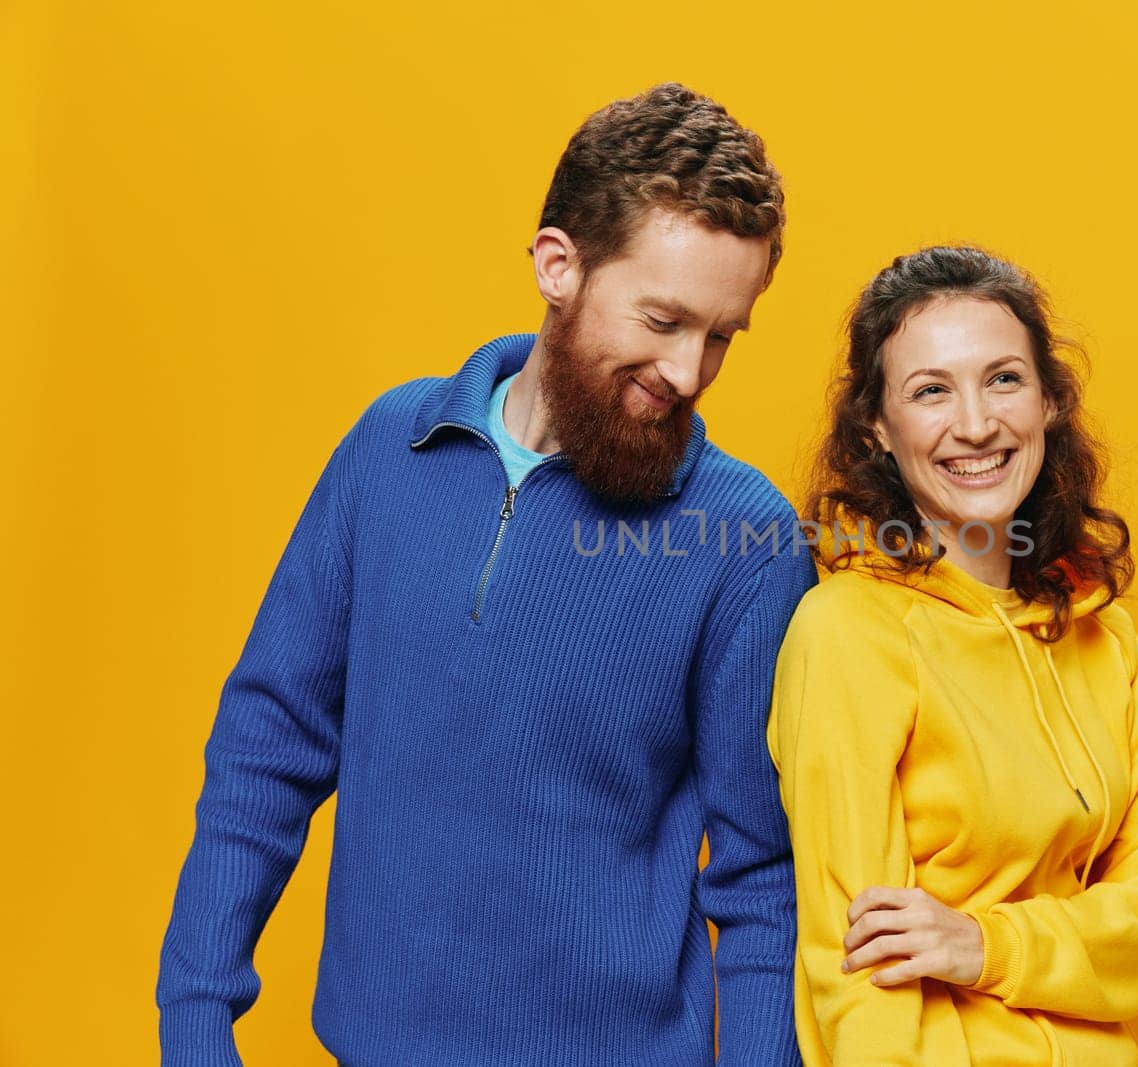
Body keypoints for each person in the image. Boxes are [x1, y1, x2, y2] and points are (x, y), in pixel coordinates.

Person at [157, 83, 814, 1066]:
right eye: (664, 319)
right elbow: (269, 740)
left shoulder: (744, 538)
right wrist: (195, 1018)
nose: (688, 370)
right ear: (560, 265)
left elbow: (763, 878)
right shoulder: (389, 448)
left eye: (721, 335)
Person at [768, 246, 1138, 1065]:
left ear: (1048, 401)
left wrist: (985, 943)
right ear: (879, 430)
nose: (975, 423)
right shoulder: (847, 636)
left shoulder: (1102, 637)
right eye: (931, 390)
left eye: (1003, 378)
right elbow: (854, 967)